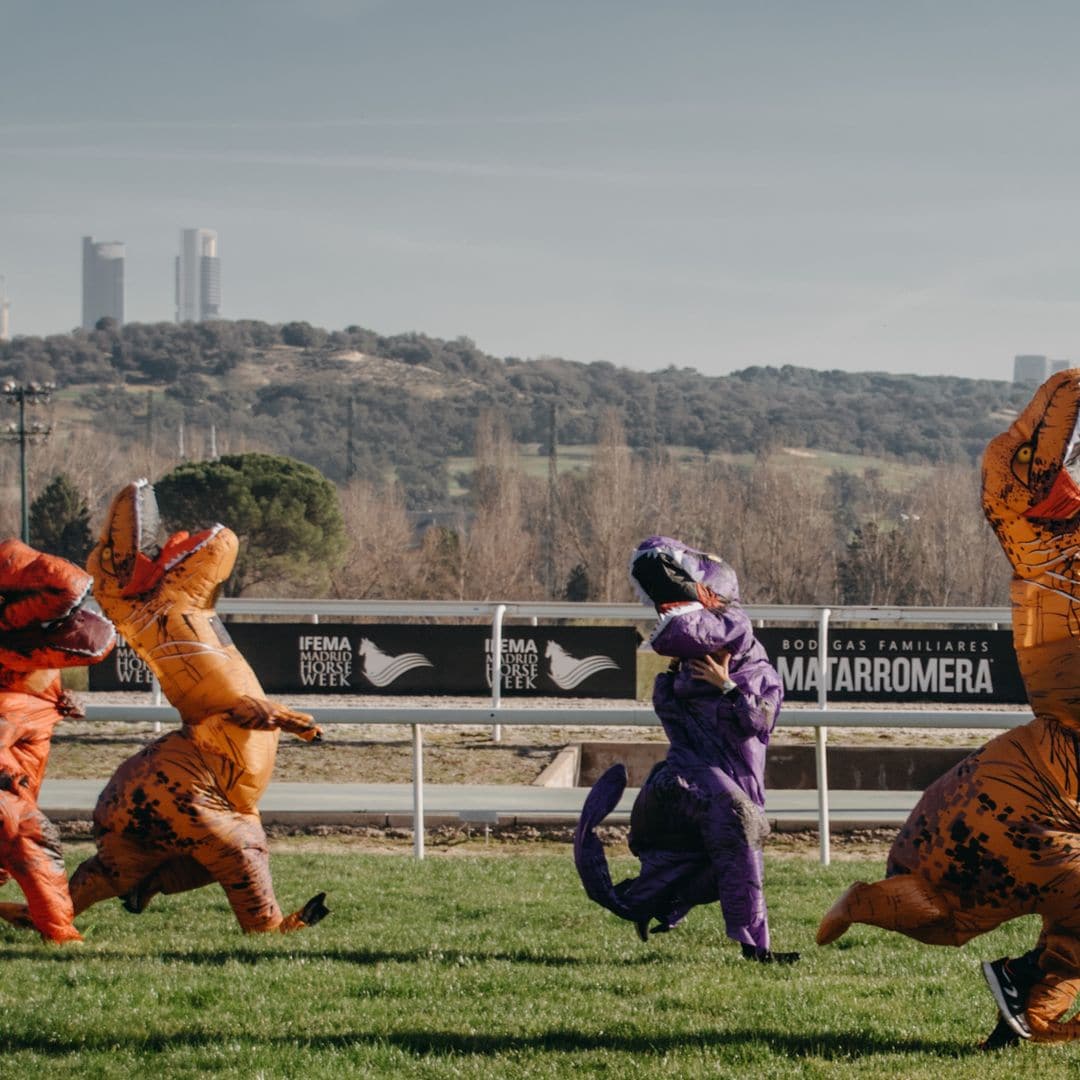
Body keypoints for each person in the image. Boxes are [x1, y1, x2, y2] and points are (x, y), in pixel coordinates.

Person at [574, 535, 798, 963]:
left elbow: (759, 721)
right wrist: (717, 685)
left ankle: (646, 903)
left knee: (717, 858)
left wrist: (726, 686)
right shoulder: (679, 677)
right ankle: (756, 950)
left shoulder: (755, 668)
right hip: (685, 783)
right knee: (740, 826)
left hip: (714, 783)